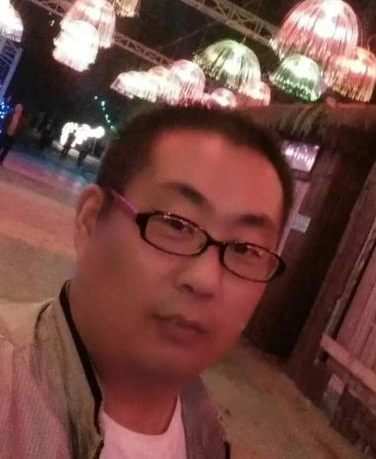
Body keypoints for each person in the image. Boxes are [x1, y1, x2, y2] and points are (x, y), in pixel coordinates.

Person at [0, 107, 294, 458]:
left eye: (245, 249)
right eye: (176, 224)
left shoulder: (206, 430)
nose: (205, 280)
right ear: (91, 220)